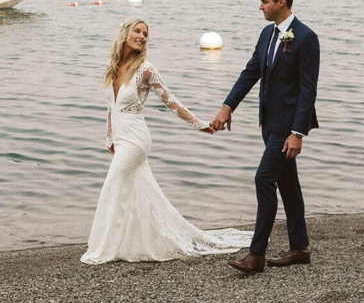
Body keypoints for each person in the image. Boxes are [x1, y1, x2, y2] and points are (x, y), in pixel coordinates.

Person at [81, 18, 251, 264]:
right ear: (125, 34)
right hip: (120, 136)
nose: (142, 36)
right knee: (134, 190)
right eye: (137, 31)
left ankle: (104, 246)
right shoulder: (111, 66)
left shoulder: (146, 70)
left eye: (146, 34)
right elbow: (111, 106)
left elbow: (172, 102)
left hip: (136, 139)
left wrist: (199, 124)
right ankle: (128, 242)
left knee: (113, 184)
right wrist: (109, 137)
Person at [212, 0, 319, 273]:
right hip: (268, 123)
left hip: (288, 127)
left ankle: (256, 254)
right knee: (288, 184)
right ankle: (300, 248)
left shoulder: (306, 38)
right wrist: (227, 106)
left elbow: (308, 90)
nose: (260, 6)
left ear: (281, 2)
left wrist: (297, 133)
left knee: (264, 179)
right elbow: (251, 73)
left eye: (265, 1)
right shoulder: (267, 34)